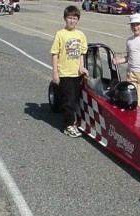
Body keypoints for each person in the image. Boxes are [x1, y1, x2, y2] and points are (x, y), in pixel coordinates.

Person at [50, 5, 88, 137]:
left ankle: (72, 120)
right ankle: (68, 125)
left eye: (75, 18)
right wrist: (55, 73)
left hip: (76, 73)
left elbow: (82, 53)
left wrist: (81, 67)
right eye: (70, 18)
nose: (72, 21)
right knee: (69, 100)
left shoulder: (80, 35)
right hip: (64, 73)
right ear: (65, 18)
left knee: (74, 99)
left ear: (78, 20)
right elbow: (55, 54)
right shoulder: (60, 34)